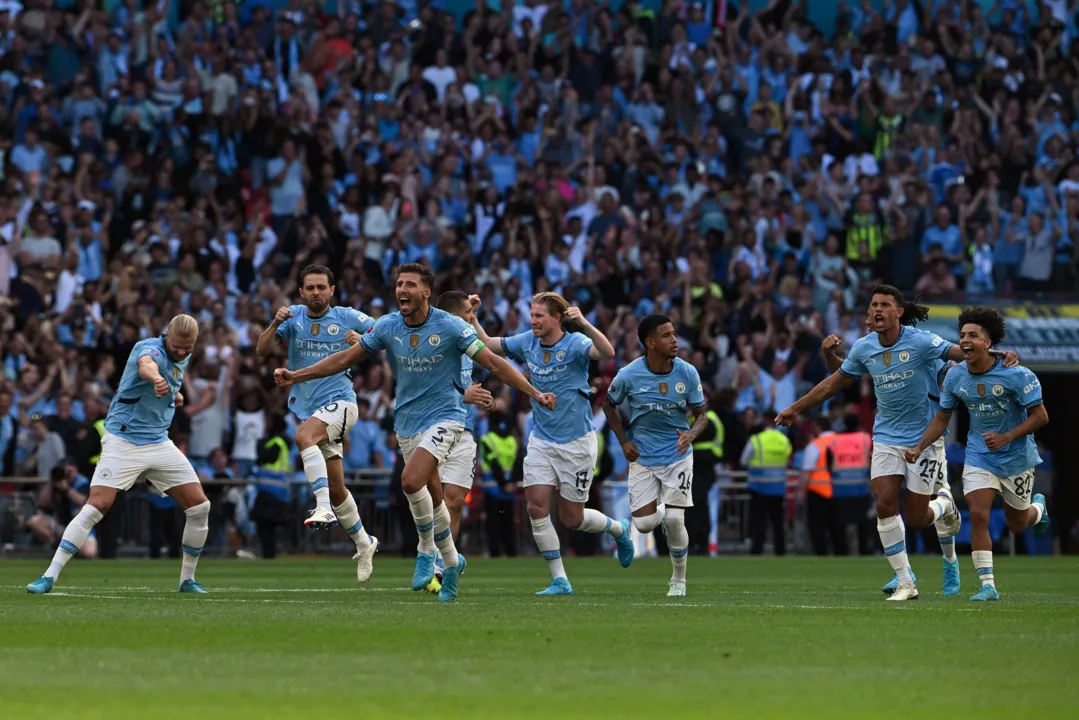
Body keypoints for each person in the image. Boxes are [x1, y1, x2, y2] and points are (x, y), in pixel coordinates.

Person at [274, 263, 555, 602]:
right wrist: (297, 375)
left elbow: (494, 363)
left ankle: (425, 552)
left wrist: (534, 393)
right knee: (433, 497)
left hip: (447, 417)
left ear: (426, 292)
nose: (401, 289)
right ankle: (450, 563)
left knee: (410, 480)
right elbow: (344, 359)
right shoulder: (389, 326)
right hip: (407, 422)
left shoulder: (450, 325)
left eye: (410, 284)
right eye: (399, 284)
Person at [777, 285, 1018, 601]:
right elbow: (835, 383)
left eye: (884, 304)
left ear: (899, 312)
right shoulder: (864, 348)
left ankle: (945, 506)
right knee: (885, 502)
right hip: (886, 438)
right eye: (873, 304)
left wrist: (997, 354)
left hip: (924, 439)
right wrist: (795, 407)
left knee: (917, 518)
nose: (876, 309)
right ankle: (906, 581)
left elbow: (959, 352)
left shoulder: (920, 342)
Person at [27, 315, 212, 595]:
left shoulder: (181, 353)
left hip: (159, 442)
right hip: (123, 440)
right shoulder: (148, 348)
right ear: (166, 335)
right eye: (178, 347)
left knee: (200, 507)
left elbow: (166, 382)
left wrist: (174, 394)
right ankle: (48, 576)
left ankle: (187, 580)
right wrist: (158, 379)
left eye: (189, 348)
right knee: (96, 506)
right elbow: (146, 367)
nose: (183, 352)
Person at [469, 291, 634, 596]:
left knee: (572, 518)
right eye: (531, 315)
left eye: (539, 316)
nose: (533, 321)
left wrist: (583, 322)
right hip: (542, 441)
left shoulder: (575, 344)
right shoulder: (528, 341)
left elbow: (607, 351)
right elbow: (489, 345)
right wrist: (472, 318)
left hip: (577, 443)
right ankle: (560, 580)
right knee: (536, 507)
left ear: (557, 318)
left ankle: (618, 529)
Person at [905, 307, 1050, 602]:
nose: (966, 340)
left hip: (1017, 457)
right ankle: (988, 585)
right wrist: (919, 446)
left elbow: (1041, 416)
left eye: (973, 335)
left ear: (988, 343)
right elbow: (942, 419)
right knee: (979, 514)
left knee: (1017, 524)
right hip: (979, 455)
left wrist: (1007, 436)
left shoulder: (1017, 374)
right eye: (962, 335)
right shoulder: (956, 375)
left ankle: (1039, 509)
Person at [256, 264, 379, 582]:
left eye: (321, 287)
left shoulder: (347, 316)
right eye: (309, 288)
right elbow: (262, 350)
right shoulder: (293, 317)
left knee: (302, 437)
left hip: (342, 404)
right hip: (312, 410)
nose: (316, 293)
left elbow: (386, 333)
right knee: (338, 488)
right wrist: (274, 322)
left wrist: (364, 339)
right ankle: (364, 544)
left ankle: (320, 505)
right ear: (301, 292)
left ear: (332, 290)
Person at [602, 315, 709, 597]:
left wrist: (691, 435)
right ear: (650, 343)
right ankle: (663, 511)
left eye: (674, 334)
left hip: (677, 454)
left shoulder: (687, 373)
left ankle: (679, 580)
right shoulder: (628, 374)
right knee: (644, 525)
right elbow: (608, 404)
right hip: (643, 457)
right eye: (666, 335)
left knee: (676, 521)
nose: (674, 340)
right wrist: (624, 441)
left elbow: (702, 416)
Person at [741, 408, 794, 555]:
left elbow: (743, 460)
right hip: (778, 488)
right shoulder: (784, 440)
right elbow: (788, 458)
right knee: (778, 522)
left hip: (759, 488)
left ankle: (757, 550)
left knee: (759, 522)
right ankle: (780, 551)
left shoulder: (756, 439)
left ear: (764, 421)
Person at [26, 461, 97, 559]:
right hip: (61, 525)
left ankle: (70, 551)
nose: (67, 475)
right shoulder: (56, 484)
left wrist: (66, 489)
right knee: (34, 521)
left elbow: (84, 502)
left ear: (76, 470)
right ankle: (58, 546)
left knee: (89, 552)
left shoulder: (81, 482)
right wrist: (52, 483)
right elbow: (42, 502)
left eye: (70, 471)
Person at [250, 414, 294, 560]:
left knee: (266, 525)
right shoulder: (283, 441)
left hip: (270, 490)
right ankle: (269, 553)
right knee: (268, 526)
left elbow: (263, 457)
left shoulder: (277, 442)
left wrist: (261, 445)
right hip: (276, 490)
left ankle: (268, 554)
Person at [479, 412, 519, 558]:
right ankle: (511, 550)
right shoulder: (511, 440)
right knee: (508, 522)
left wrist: (503, 483)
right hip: (509, 489)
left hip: (493, 488)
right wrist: (511, 482)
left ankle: (495, 550)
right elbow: (518, 462)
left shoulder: (488, 439)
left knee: (493, 523)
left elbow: (492, 462)